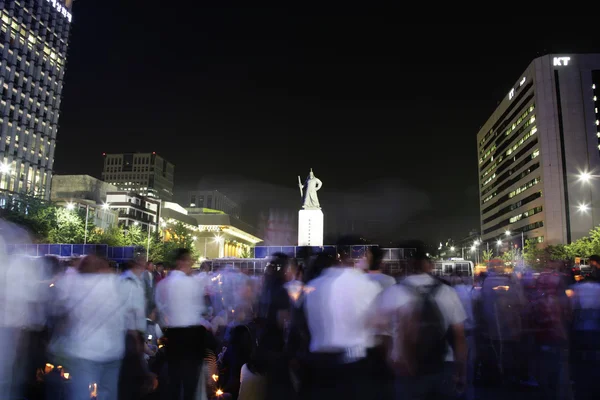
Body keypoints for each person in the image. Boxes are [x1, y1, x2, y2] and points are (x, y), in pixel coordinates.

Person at [377, 253, 467, 400]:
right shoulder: (447, 291)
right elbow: (460, 336)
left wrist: (391, 362)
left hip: (406, 367)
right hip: (443, 364)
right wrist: (461, 371)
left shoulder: (392, 292)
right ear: (429, 266)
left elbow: (382, 334)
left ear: (405, 266)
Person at [301, 237, 382, 399]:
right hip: (355, 365)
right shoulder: (368, 285)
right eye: (365, 252)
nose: (369, 256)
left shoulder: (315, 285)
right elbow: (377, 324)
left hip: (318, 366)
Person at [53, 255, 126, 400]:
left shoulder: (73, 284)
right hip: (112, 349)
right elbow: (123, 316)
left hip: (82, 350)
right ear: (102, 268)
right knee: (107, 392)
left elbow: (60, 311)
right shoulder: (113, 283)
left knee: (81, 393)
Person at [155, 248, 206, 400]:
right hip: (192, 335)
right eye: (189, 260)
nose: (191, 263)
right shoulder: (192, 283)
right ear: (182, 262)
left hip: (173, 335)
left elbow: (161, 308)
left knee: (174, 379)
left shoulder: (164, 284)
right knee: (191, 381)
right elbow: (200, 308)